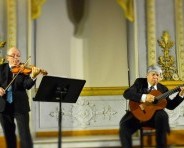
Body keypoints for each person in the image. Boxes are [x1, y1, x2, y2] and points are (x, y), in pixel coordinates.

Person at [119, 64, 184, 148]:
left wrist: (180, 95)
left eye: (158, 75)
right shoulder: (139, 82)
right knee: (124, 127)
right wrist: (144, 97)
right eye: (153, 74)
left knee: (162, 115)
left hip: (153, 120)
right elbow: (127, 94)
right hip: (137, 116)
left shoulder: (163, 89)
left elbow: (170, 106)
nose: (155, 77)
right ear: (147, 75)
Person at [0, 47, 41, 148]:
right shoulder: (1, 68)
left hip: (20, 106)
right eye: (13, 55)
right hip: (3, 106)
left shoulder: (23, 69)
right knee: (9, 135)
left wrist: (33, 77)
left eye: (18, 55)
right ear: (7, 57)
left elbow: (27, 85)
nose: (16, 58)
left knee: (25, 135)